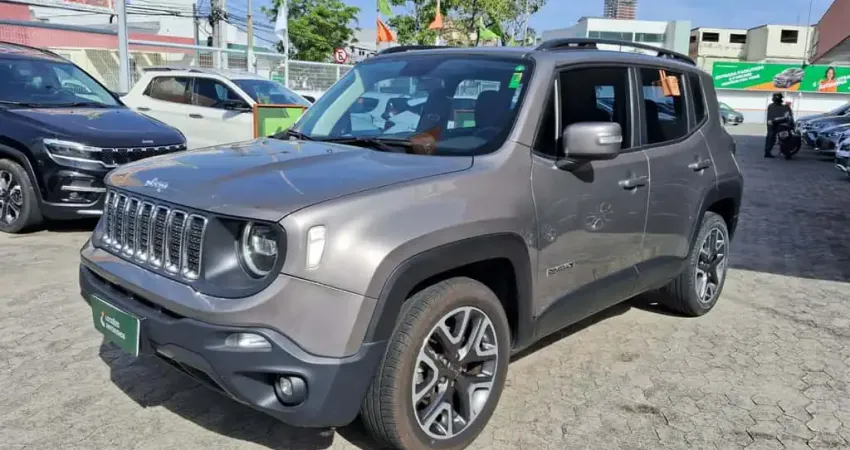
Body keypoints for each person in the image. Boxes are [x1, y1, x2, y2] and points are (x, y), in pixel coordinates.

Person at [764, 92, 793, 158]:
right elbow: (787, 116)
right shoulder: (783, 107)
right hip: (776, 125)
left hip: (775, 124)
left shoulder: (772, 106)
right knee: (781, 138)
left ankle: (768, 152)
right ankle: (786, 153)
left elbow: (788, 116)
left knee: (772, 138)